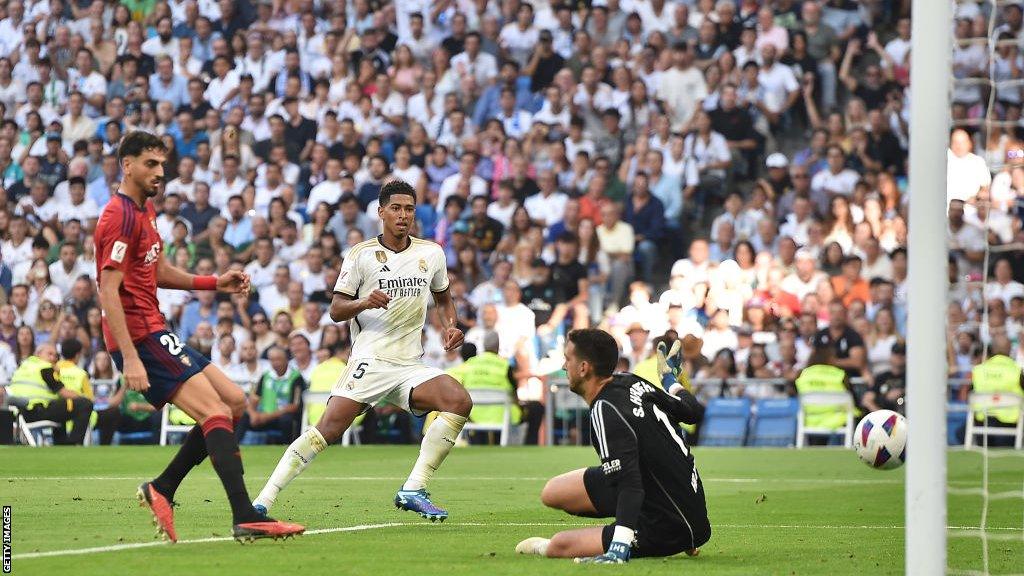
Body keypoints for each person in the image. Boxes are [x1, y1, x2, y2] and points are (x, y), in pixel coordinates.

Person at [94, 131, 302, 542]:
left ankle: (163, 488)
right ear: (127, 165)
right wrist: (131, 359)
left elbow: (158, 272)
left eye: (162, 164)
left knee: (234, 403)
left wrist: (213, 282)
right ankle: (245, 515)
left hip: (155, 329)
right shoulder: (117, 216)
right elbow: (108, 290)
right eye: (151, 164)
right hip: (140, 336)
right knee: (215, 412)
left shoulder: (145, 210)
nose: (160, 171)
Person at [254, 179, 471, 522]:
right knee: (328, 428)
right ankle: (263, 500)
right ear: (381, 212)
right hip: (370, 360)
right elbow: (336, 310)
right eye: (396, 208)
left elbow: (443, 296)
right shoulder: (361, 255)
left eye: (410, 209)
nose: (403, 215)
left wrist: (451, 325)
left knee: (459, 401)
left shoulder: (431, 253)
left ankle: (414, 489)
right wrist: (363, 302)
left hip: (409, 365)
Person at [516, 328, 710, 562]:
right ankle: (633, 522)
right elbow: (693, 412)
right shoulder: (628, 380)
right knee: (553, 492)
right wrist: (670, 379)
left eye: (568, 359)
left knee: (560, 545)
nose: (565, 366)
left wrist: (618, 547)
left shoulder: (605, 410)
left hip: (670, 524)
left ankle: (634, 534)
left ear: (584, 368)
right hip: (681, 496)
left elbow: (630, 485)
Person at [4, 342, 93, 444]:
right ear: (38, 354)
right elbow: (63, 392)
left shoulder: (24, 366)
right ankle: (74, 444)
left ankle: (61, 444)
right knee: (85, 404)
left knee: (61, 406)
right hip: (37, 410)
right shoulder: (45, 368)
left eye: (56, 355)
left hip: (20, 413)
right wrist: (83, 398)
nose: (53, 358)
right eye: (49, 354)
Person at [236, 346, 304, 443]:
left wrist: (267, 416)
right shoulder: (266, 376)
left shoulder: (296, 377)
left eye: (278, 359)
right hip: (264, 417)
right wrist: (253, 414)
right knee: (243, 415)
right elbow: (254, 399)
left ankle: (289, 447)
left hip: (281, 416)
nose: (275, 363)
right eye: (272, 360)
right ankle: (235, 447)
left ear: (286, 360)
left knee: (287, 420)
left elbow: (294, 406)